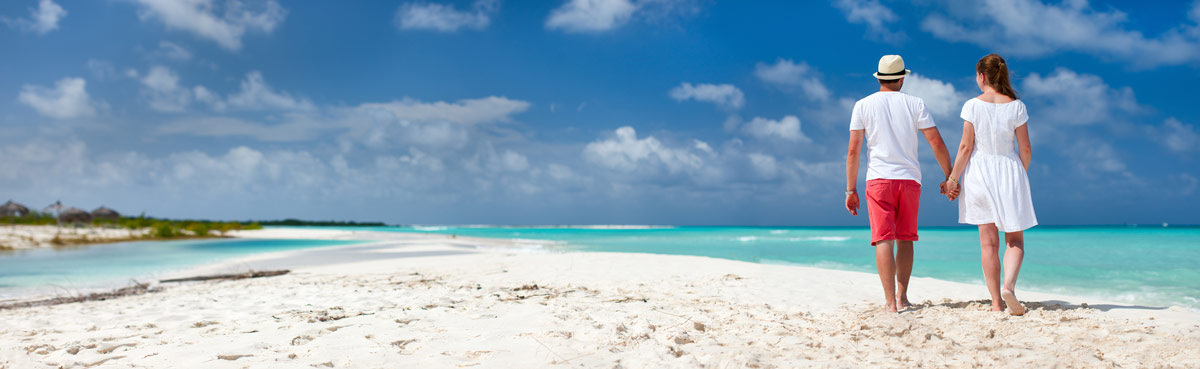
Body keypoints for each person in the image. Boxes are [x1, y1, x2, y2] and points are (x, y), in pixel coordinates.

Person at [846, 55, 954, 313]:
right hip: (908, 180)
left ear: (879, 77)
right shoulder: (915, 104)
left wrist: (850, 189)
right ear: (902, 77)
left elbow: (853, 151)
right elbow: (936, 143)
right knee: (905, 239)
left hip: (878, 180)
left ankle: (890, 302)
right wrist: (950, 176)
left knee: (883, 240)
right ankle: (903, 297)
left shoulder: (862, 105)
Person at [943, 53, 1038, 316]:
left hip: (980, 173)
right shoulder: (1016, 106)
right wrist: (1021, 175)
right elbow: (1026, 148)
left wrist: (952, 179)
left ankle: (996, 303)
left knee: (988, 244)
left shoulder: (972, 105)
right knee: (1015, 241)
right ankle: (1009, 286)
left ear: (982, 77)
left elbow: (965, 147)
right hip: (1009, 169)